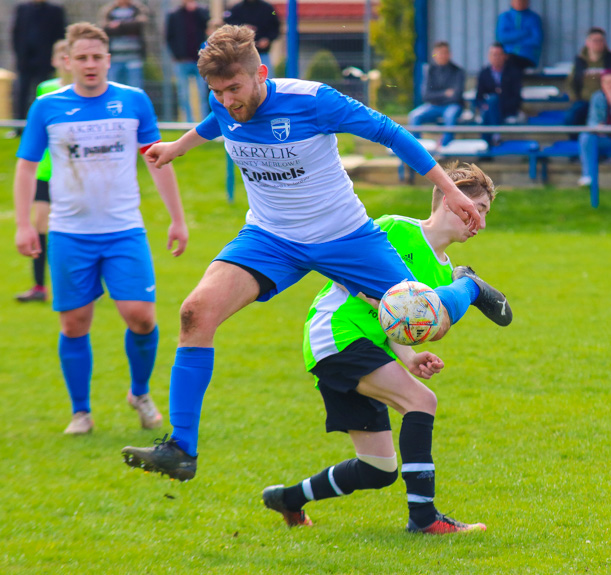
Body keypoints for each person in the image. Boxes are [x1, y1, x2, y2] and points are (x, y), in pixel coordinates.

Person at [120, 25, 512, 481]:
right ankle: (180, 449)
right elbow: (216, 122)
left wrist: (452, 193)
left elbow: (390, 133)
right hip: (270, 238)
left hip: (344, 236)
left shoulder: (313, 100)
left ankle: (467, 285)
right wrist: (178, 147)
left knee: (426, 324)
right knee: (195, 312)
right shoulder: (222, 103)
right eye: (217, 91)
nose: (227, 100)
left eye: (235, 89)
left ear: (260, 74)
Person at [263, 163, 496, 535]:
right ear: (449, 200)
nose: (480, 222)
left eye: (485, 214)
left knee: (378, 469)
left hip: (365, 346)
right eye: (478, 209)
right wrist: (372, 296)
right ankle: (424, 518)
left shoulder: (440, 273)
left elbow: (396, 326)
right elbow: (341, 264)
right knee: (422, 401)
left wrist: (410, 355)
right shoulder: (395, 228)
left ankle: (289, 498)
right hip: (336, 332)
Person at [14, 22, 189, 435]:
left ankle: (140, 393)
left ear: (108, 60)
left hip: (125, 230)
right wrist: (24, 224)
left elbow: (156, 159)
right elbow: (24, 167)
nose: (90, 65)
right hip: (69, 233)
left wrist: (177, 219)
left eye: (97, 57)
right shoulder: (47, 107)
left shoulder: (134, 101)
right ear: (68, 62)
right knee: (75, 323)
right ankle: (81, 412)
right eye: (82, 58)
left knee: (141, 318)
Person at [16, 39, 72, 303]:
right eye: (60, 56)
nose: (64, 61)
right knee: (41, 225)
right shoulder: (45, 90)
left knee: (76, 228)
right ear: (55, 61)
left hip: (73, 175)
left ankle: (86, 283)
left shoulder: (88, 93)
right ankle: (39, 286)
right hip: (46, 172)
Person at [11, 0, 66, 127]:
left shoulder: (55, 11)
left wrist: (53, 58)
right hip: (25, 60)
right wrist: (19, 55)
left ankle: (43, 123)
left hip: (45, 61)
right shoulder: (22, 9)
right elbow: (16, 33)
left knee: (43, 92)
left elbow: (59, 35)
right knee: (22, 93)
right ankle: (19, 126)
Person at [565, 27, 611, 127]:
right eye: (595, 40)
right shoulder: (579, 61)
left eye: (601, 40)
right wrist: (575, 98)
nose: (598, 43)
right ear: (587, 42)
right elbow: (571, 83)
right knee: (571, 117)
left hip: (609, 101)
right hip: (585, 102)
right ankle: (576, 141)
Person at [408, 41, 466, 147]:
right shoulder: (430, 70)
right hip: (434, 106)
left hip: (452, 106)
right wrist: (445, 93)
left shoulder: (458, 71)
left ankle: (444, 148)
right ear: (434, 55)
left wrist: (437, 96)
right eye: (440, 53)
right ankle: (417, 149)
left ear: (449, 54)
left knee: (450, 115)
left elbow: (456, 96)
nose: (442, 55)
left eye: (445, 52)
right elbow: (425, 95)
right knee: (414, 115)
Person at [167, 0, 210, 122]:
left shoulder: (202, 12)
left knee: (203, 94)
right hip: (182, 61)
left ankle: (205, 122)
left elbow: (209, 27)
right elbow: (169, 37)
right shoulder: (174, 15)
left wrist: (197, 11)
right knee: (184, 95)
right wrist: (177, 55)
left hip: (201, 61)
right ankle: (188, 123)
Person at [475, 42, 523, 146]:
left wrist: (497, 101)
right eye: (493, 54)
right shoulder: (484, 73)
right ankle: (495, 136)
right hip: (489, 109)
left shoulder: (513, 73)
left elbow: (516, 98)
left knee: (492, 103)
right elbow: (478, 97)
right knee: (490, 106)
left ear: (504, 56)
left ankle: (486, 146)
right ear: (489, 57)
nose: (496, 57)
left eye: (498, 54)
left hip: (507, 109)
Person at [99, 0, 149, 89]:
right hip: (114, 58)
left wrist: (119, 25)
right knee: (114, 89)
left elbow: (138, 25)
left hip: (134, 58)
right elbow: (105, 29)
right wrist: (128, 27)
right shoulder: (109, 11)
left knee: (134, 87)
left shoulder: (138, 9)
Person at [224, 0, 281, 75]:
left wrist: (268, 39)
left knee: (265, 77)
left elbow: (275, 25)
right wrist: (242, 28)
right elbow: (229, 23)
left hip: (262, 53)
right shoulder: (236, 9)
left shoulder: (268, 8)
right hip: (241, 55)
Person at [495, 0, 543, 70]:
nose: (519, 3)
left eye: (522, 1)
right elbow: (501, 38)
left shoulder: (534, 18)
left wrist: (512, 41)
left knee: (512, 63)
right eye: (517, 1)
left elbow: (536, 40)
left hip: (527, 56)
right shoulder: (505, 17)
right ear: (511, 2)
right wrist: (525, 32)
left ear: (527, 2)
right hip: (507, 56)